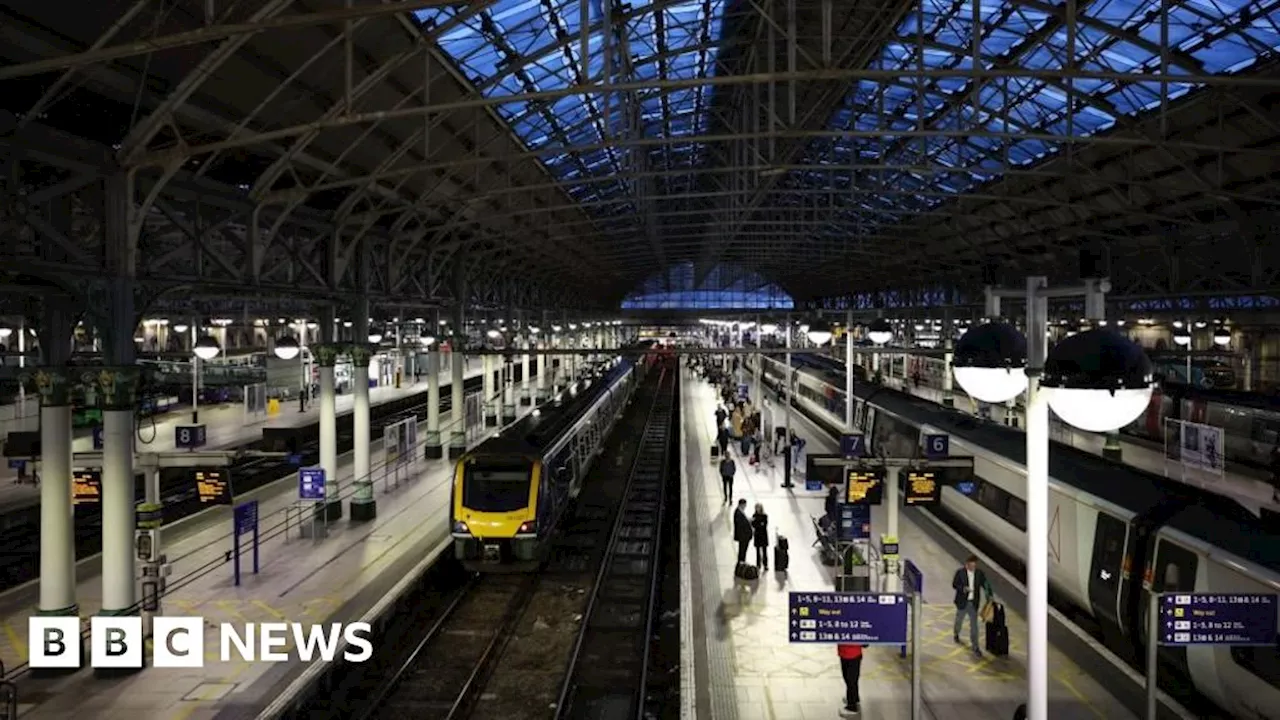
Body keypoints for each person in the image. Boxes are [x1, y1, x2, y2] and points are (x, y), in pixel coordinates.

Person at [952, 555, 991, 657]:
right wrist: (963, 589)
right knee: (959, 621)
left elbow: (985, 584)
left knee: (974, 626)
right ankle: (956, 633)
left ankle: (975, 646)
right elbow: (954, 584)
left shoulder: (979, 574)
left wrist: (989, 595)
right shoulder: (960, 573)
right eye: (971, 566)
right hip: (962, 602)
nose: (973, 568)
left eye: (974, 566)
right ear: (967, 565)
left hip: (973, 603)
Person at [837, 643, 863, 714]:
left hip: (853, 654)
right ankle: (854, 698)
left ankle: (852, 706)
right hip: (844, 652)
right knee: (848, 678)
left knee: (851, 680)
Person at [733, 499, 752, 565]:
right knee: (742, 550)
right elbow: (740, 524)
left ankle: (742, 561)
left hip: (744, 536)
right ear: (742, 504)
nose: (745, 506)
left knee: (743, 550)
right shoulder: (738, 512)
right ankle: (741, 562)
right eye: (745, 505)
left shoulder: (740, 511)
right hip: (743, 536)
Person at [751, 503, 769, 569]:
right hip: (757, 535)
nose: (757, 509)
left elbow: (764, 525)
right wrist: (759, 524)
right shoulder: (754, 515)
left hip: (763, 535)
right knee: (757, 551)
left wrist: (758, 524)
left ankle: (765, 564)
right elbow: (753, 525)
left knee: (764, 551)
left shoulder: (765, 516)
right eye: (756, 508)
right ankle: (758, 564)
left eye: (758, 507)